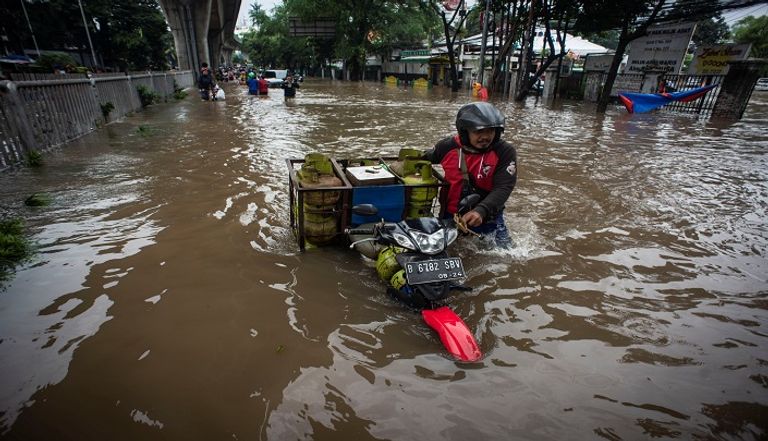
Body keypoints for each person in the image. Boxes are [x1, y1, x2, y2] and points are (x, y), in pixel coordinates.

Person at [423, 102, 517, 248]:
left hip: (488, 217)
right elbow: (424, 159)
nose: (485, 137)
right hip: (451, 216)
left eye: (490, 131)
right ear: (465, 131)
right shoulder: (447, 147)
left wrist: (481, 211)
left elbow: (504, 187)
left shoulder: (504, 152)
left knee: (506, 254)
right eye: (478, 132)